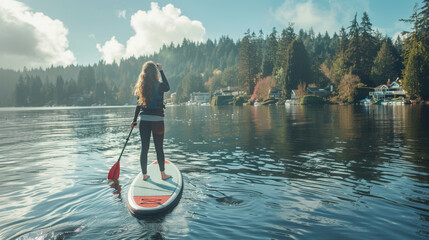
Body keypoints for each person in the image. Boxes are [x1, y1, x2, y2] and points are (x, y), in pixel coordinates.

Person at [132, 61, 171, 181]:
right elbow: (168, 87)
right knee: (159, 148)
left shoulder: (141, 87)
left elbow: (138, 106)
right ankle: (163, 174)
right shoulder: (160, 85)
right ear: (155, 72)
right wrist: (161, 70)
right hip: (158, 121)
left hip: (144, 121)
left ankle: (144, 175)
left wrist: (134, 121)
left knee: (144, 148)